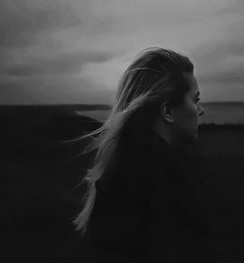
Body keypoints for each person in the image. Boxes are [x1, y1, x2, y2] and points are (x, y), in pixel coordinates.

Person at [73, 47, 215, 262]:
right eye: (195, 100)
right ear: (167, 111)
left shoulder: (120, 170)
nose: (201, 110)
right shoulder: (167, 180)